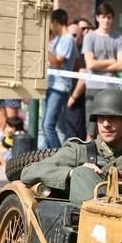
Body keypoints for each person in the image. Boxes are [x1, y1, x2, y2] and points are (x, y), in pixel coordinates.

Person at [21, 89, 122, 205]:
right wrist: (73, 172)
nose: (106, 124)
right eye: (101, 118)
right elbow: (29, 171)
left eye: (113, 118)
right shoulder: (79, 151)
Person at [83, 2, 122, 137]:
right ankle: (88, 157)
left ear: (112, 19)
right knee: (91, 129)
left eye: (109, 17)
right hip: (93, 86)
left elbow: (120, 66)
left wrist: (99, 63)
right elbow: (90, 64)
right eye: (103, 17)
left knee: (111, 128)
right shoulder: (90, 37)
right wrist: (111, 61)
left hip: (112, 87)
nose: (106, 21)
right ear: (97, 18)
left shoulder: (119, 38)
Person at [44, 8, 78, 148]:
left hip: (59, 87)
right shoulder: (58, 39)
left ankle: (58, 155)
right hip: (52, 84)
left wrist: (42, 50)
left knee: (48, 126)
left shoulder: (68, 39)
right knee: (55, 126)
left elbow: (58, 61)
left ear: (56, 22)